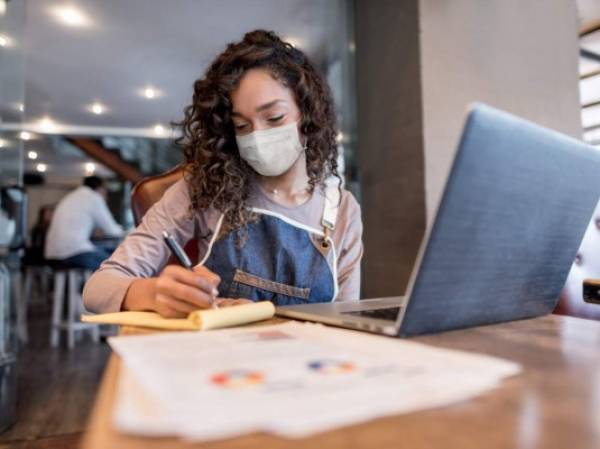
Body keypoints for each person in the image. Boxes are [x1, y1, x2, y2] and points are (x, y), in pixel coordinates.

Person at [83, 30, 363, 317]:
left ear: (308, 114)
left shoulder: (342, 210)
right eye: (242, 126)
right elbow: (98, 288)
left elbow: (348, 319)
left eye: (274, 118)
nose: (258, 136)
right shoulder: (205, 189)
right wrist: (153, 293)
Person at [45, 176, 124, 270]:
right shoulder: (94, 197)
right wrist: (127, 232)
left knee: (103, 253)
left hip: (52, 255)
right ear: (100, 188)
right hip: (74, 253)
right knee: (118, 264)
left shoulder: (71, 196)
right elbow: (112, 230)